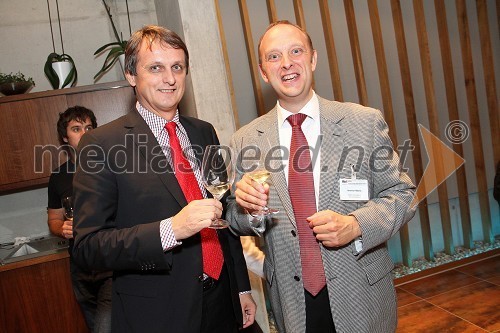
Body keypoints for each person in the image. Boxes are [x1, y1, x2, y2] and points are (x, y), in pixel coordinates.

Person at [227, 20, 416, 333]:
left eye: (295, 51)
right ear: (263, 72)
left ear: (313, 59)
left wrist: (356, 225)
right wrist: (249, 211)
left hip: (362, 293)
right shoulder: (245, 141)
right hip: (292, 301)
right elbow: (235, 218)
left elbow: (402, 195)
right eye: (274, 57)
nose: (286, 63)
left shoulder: (363, 123)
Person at [72, 25, 256, 333]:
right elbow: (88, 247)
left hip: (221, 302)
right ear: (132, 75)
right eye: (155, 68)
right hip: (158, 312)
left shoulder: (203, 131)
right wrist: (171, 230)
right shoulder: (101, 144)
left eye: (177, 68)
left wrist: (240, 287)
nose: (169, 79)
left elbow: (221, 214)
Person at [47, 106, 112, 332]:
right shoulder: (58, 177)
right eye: (76, 129)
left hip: (109, 263)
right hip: (80, 267)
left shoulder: (111, 166)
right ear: (65, 137)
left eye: (88, 127)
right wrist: (61, 228)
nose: (84, 133)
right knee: (94, 325)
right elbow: (54, 219)